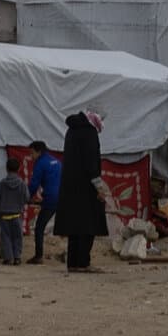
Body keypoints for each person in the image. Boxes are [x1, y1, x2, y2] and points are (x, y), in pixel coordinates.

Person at [56, 110, 109, 271]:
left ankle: (72, 263)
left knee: (73, 227)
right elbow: (91, 163)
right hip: (86, 188)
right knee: (88, 226)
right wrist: (99, 187)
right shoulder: (89, 134)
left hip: (70, 187)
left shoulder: (71, 131)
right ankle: (83, 262)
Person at [27, 138, 62, 264]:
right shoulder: (57, 162)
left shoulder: (40, 164)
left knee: (39, 227)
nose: (31, 157)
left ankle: (38, 256)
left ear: (39, 152)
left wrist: (27, 197)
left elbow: (34, 183)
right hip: (63, 197)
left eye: (32, 153)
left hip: (50, 199)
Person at [0, 156, 29, 266]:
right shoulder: (22, 184)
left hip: (4, 216)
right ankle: (17, 257)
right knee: (17, 237)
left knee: (5, 237)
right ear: (19, 169)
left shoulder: (1, 184)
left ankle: (8, 258)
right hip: (17, 215)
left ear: (6, 169)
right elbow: (26, 197)